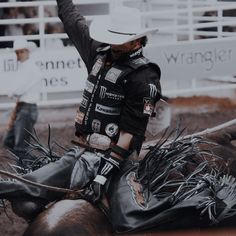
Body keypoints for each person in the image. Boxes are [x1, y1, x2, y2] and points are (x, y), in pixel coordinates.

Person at [0, 1, 161, 230]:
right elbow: (71, 18)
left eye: (118, 41)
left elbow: (129, 133)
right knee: (27, 189)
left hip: (117, 161)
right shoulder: (97, 51)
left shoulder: (145, 78)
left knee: (129, 221)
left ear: (136, 41)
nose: (112, 45)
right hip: (81, 152)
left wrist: (102, 176)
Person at [3, 39, 42, 166]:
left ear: (27, 51)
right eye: (17, 52)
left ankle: (25, 172)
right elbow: (17, 90)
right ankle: (35, 164)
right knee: (9, 141)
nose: (18, 55)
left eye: (20, 52)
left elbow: (18, 90)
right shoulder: (25, 68)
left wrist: (11, 92)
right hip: (23, 108)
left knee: (20, 146)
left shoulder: (31, 69)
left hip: (27, 109)